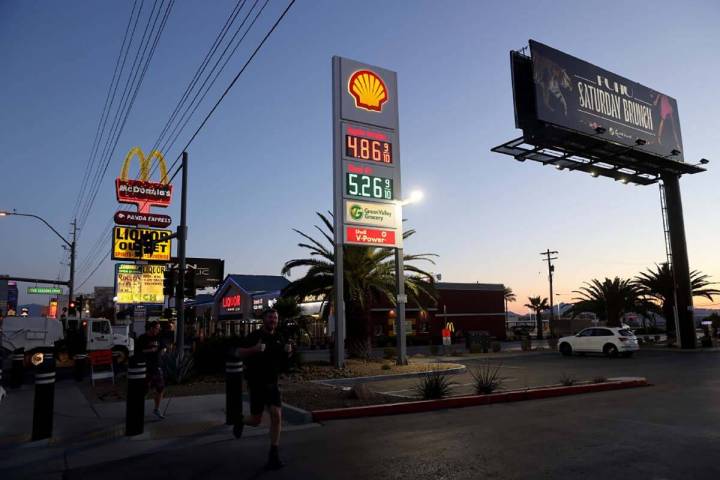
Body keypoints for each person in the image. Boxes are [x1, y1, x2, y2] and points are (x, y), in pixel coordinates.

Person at [234, 308, 293, 470]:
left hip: (272, 383)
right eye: (270, 317)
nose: (273, 320)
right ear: (264, 319)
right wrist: (254, 349)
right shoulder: (254, 336)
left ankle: (273, 454)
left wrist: (288, 354)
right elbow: (238, 352)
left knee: (276, 415)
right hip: (256, 383)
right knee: (255, 420)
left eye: (275, 317)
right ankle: (240, 420)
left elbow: (282, 361)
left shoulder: (279, 338)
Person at [136, 321, 167, 419]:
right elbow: (137, 351)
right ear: (151, 328)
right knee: (144, 389)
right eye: (157, 328)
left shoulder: (159, 337)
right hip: (145, 367)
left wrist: (163, 350)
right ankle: (138, 410)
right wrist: (149, 350)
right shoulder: (142, 338)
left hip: (156, 366)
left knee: (160, 387)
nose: (158, 330)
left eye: (159, 328)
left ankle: (156, 409)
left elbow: (163, 347)